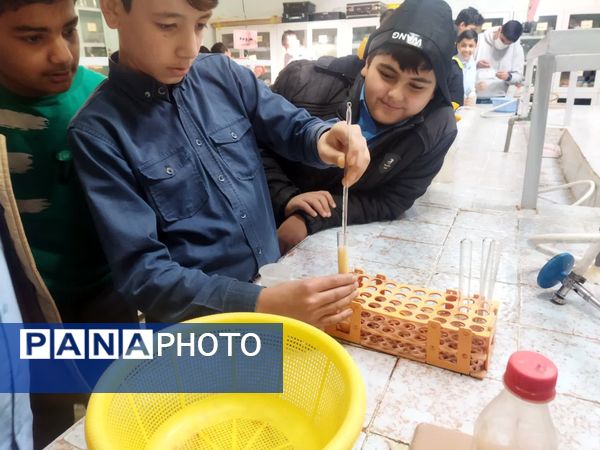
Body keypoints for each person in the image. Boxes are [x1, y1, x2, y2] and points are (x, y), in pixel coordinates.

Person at [68, 0, 371, 328]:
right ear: (112, 9)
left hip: (274, 287)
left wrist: (323, 137)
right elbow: (144, 274)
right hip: (201, 328)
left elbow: (293, 126)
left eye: (200, 25)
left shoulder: (223, 75)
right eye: (168, 26)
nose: (189, 48)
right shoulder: (99, 133)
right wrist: (259, 304)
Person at [262, 0, 458, 253]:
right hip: (259, 215)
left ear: (434, 92)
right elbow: (252, 147)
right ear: (367, 64)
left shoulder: (437, 130)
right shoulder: (304, 82)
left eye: (417, 86)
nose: (395, 95)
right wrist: (285, 198)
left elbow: (392, 199)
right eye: (387, 74)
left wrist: (310, 217)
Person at [0, 0, 137, 324]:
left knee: (123, 374)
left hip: (111, 294)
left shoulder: (105, 98)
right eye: (33, 38)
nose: (62, 55)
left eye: (69, 31)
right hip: (23, 306)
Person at [475, 20, 524, 101]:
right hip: (477, 96)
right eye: (502, 39)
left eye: (508, 44)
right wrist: (476, 64)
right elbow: (465, 65)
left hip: (500, 98)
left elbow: (519, 76)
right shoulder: (480, 39)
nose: (503, 44)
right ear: (499, 29)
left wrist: (509, 77)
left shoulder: (517, 48)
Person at [454, 29, 478, 105]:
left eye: (471, 46)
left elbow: (470, 86)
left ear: (476, 46)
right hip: (454, 104)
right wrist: (460, 99)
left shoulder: (472, 62)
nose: (467, 49)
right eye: (463, 45)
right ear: (457, 45)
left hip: (468, 103)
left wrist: (472, 94)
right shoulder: (453, 62)